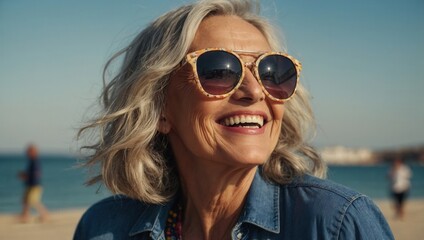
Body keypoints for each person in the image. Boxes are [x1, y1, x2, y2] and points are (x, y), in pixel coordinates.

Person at [74, 0, 394, 239]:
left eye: (272, 72)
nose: (255, 91)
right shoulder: (103, 228)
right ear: (159, 107)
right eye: (219, 71)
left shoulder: (336, 223)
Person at [18, 144, 49, 222]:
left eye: (28, 152)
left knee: (33, 201)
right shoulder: (32, 161)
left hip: (35, 185)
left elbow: (36, 174)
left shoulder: (35, 161)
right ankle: (25, 216)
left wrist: (26, 175)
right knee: (25, 200)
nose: (27, 153)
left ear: (33, 152)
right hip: (30, 184)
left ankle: (44, 214)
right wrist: (25, 175)